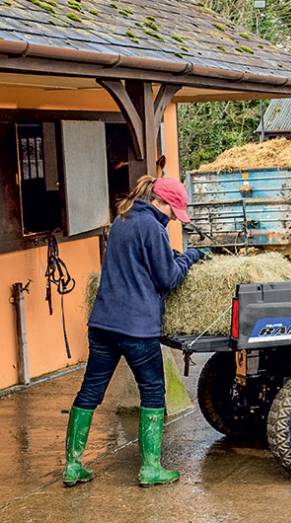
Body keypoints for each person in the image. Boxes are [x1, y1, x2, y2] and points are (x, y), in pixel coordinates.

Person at [64, 172, 204, 488]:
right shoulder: (153, 228)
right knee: (153, 390)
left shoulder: (122, 220)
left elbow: (137, 263)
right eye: (173, 212)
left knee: (90, 390)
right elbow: (167, 279)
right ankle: (151, 468)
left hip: (102, 323)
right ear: (163, 203)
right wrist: (190, 258)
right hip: (137, 328)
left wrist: (170, 257)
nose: (173, 219)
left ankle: (73, 465)